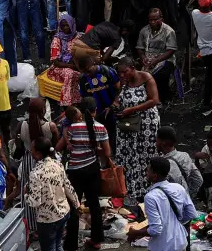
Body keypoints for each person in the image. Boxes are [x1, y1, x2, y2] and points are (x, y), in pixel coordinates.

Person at [58, 99, 112, 251]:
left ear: (80, 111)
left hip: (75, 172)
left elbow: (58, 147)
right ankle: (96, 240)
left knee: (74, 207)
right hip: (92, 170)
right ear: (95, 110)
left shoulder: (70, 128)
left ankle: (71, 245)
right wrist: (94, 149)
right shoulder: (101, 128)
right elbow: (107, 153)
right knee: (94, 205)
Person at [115, 57, 162, 208]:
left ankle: (146, 187)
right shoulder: (124, 81)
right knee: (127, 153)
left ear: (133, 68)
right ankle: (130, 187)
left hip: (145, 121)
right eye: (120, 73)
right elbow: (119, 96)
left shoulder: (146, 78)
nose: (123, 75)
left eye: (125, 72)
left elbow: (154, 100)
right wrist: (114, 105)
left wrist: (133, 109)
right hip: (128, 122)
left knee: (144, 153)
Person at [127, 157, 198, 251]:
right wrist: (174, 223)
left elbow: (156, 230)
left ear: (155, 176)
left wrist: (135, 233)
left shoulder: (150, 197)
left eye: (148, 171)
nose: (146, 174)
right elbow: (191, 213)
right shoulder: (178, 188)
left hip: (162, 246)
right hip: (180, 242)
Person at [24, 136, 80, 251]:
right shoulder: (58, 164)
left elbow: (34, 202)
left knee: (49, 248)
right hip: (64, 213)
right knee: (58, 244)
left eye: (32, 150)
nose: (31, 152)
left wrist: (26, 194)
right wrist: (77, 204)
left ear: (38, 153)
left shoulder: (36, 174)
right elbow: (68, 186)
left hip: (47, 220)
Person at [14, 97, 59, 236]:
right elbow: (55, 146)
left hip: (28, 160)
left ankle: (32, 227)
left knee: (29, 193)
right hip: (46, 160)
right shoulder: (50, 126)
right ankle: (48, 223)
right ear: (43, 110)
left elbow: (18, 144)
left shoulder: (21, 125)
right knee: (47, 192)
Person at [136, 8, 179, 102]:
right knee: (137, 74)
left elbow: (171, 50)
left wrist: (156, 60)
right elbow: (139, 48)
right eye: (150, 20)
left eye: (155, 20)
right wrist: (143, 58)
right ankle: (144, 98)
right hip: (148, 57)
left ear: (161, 19)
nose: (152, 22)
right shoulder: (144, 31)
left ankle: (163, 98)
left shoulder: (169, 31)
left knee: (161, 75)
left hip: (165, 58)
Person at [45, 14, 83, 110]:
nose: (65, 28)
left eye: (67, 25)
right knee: (70, 73)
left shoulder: (78, 37)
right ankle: (66, 103)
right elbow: (55, 61)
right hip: (59, 67)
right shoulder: (57, 39)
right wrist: (70, 66)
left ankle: (79, 99)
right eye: (63, 26)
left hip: (75, 64)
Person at [156, 126, 203, 196]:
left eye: (157, 140)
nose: (155, 143)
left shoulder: (163, 164)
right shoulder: (185, 156)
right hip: (184, 200)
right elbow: (198, 179)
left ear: (163, 143)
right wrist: (189, 195)